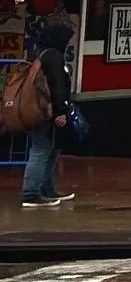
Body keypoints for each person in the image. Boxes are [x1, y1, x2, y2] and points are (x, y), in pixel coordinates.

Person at [19, 21, 75, 207]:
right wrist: (60, 111)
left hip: (33, 109)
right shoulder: (53, 56)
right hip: (45, 111)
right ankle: (32, 193)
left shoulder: (37, 53)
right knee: (42, 149)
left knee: (49, 149)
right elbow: (56, 85)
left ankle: (47, 189)